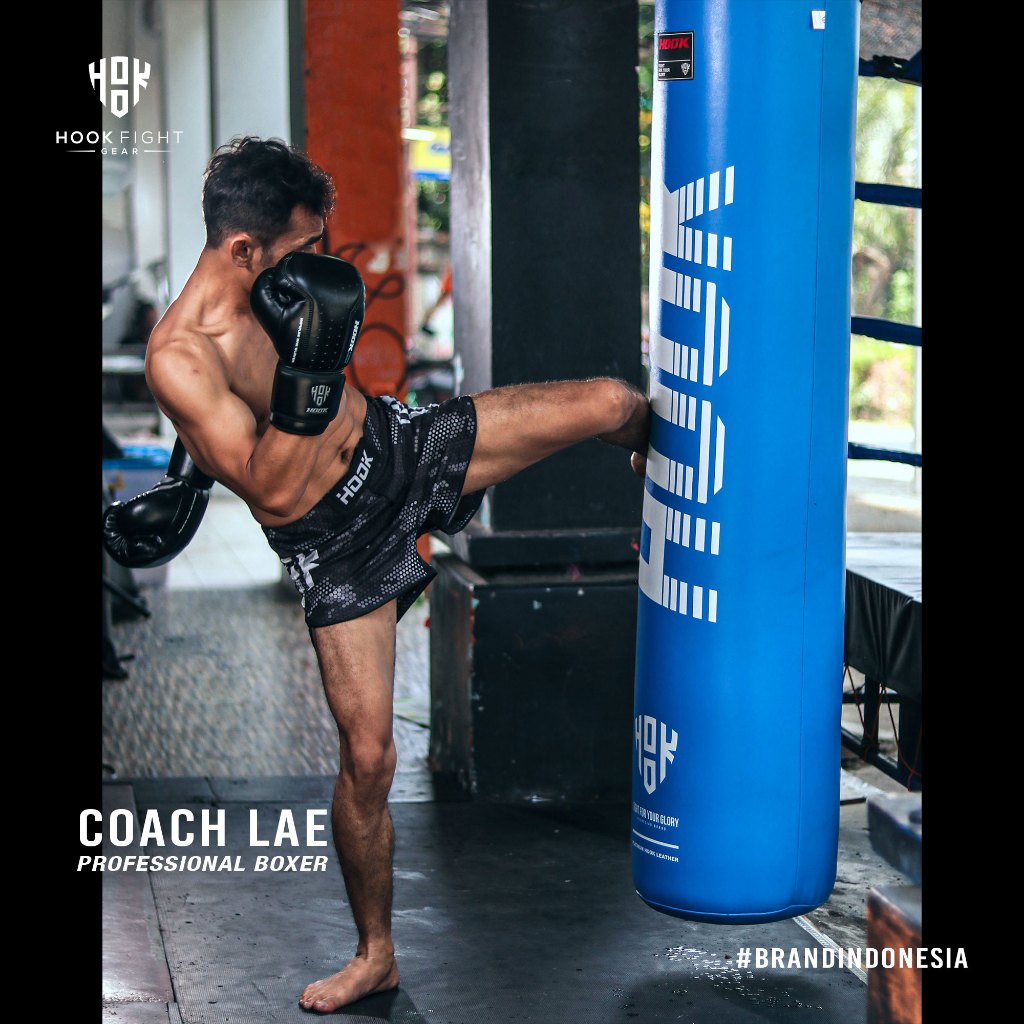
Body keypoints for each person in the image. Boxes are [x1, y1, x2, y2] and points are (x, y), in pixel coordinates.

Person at [106, 135, 650, 1013]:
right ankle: (376, 955)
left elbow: (262, 412)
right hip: (336, 545)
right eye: (297, 249)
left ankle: (680, 485)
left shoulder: (275, 291)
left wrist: (192, 470)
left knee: (614, 404)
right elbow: (273, 490)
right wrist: (314, 361)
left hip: (399, 450)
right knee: (368, 756)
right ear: (241, 248)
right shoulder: (178, 357)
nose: (313, 265)